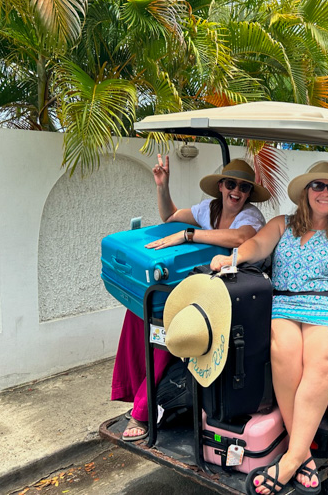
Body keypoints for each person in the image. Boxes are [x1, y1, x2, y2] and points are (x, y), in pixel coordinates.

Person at [209, 162, 328, 495]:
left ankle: (292, 457)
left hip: (326, 304)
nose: (324, 193)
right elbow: (257, 246)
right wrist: (235, 257)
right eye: (317, 186)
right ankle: (304, 456)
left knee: (323, 357)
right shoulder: (282, 225)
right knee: (283, 352)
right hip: (283, 302)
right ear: (305, 192)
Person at [112, 156, 271, 442]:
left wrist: (188, 236)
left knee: (169, 323)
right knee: (140, 312)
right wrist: (163, 186)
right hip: (205, 286)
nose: (237, 191)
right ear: (221, 186)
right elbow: (169, 217)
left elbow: (239, 238)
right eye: (232, 184)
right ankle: (137, 392)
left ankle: (143, 411)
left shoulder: (251, 217)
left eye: (244, 188)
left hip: (235, 294)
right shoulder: (208, 210)